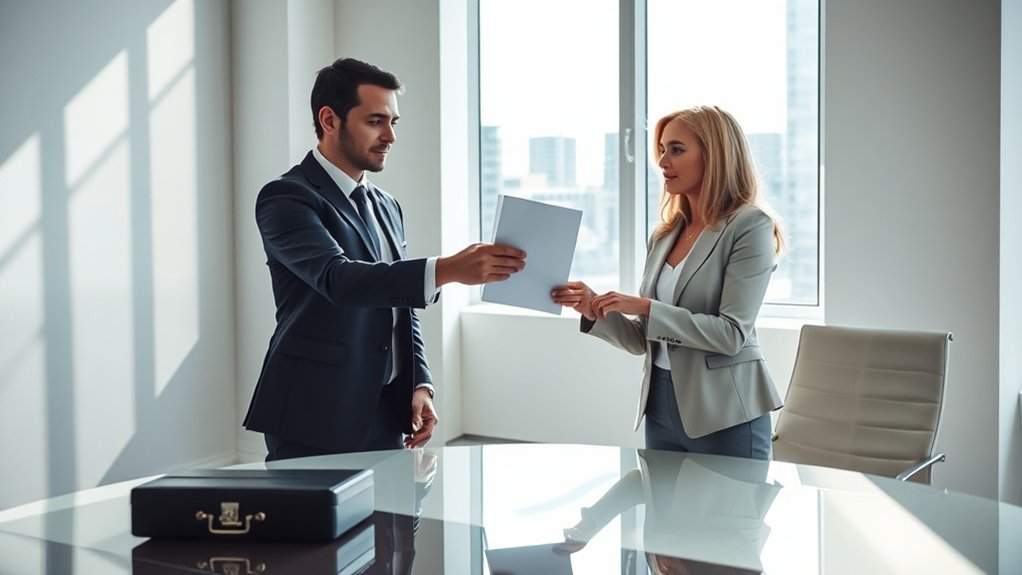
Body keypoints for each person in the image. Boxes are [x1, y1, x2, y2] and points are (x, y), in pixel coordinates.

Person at [243, 58, 526, 461]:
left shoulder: (387, 206)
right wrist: (447, 269)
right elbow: (338, 279)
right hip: (314, 412)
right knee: (313, 526)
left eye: (394, 121)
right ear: (329, 120)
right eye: (376, 121)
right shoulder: (286, 197)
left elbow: (402, 304)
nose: (390, 135)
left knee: (391, 524)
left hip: (387, 412)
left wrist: (419, 384)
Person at [551, 105, 784, 460]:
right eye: (661, 149)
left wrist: (643, 306)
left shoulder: (750, 227)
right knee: (661, 516)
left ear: (715, 155)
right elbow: (643, 339)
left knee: (730, 516)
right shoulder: (665, 235)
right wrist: (594, 308)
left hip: (726, 412)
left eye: (676, 149)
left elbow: (731, 335)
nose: (662, 161)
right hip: (660, 407)